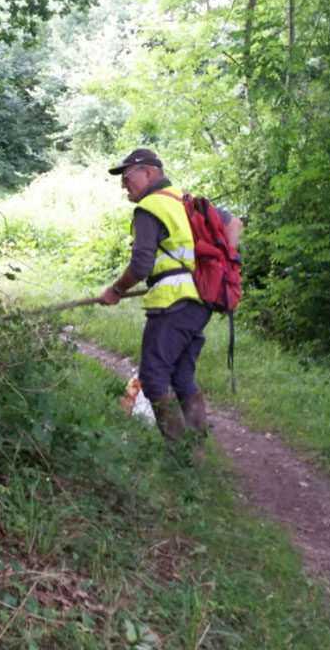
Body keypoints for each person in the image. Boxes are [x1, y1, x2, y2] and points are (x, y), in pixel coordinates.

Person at [100, 148, 243, 464]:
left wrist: (115, 290)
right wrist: (219, 264)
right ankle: (197, 453)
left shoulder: (150, 207)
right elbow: (235, 223)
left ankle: (179, 457)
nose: (124, 186)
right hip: (199, 305)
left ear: (148, 172)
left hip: (172, 304)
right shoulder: (184, 200)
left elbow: (140, 265)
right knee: (181, 376)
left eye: (127, 178)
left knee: (152, 377)